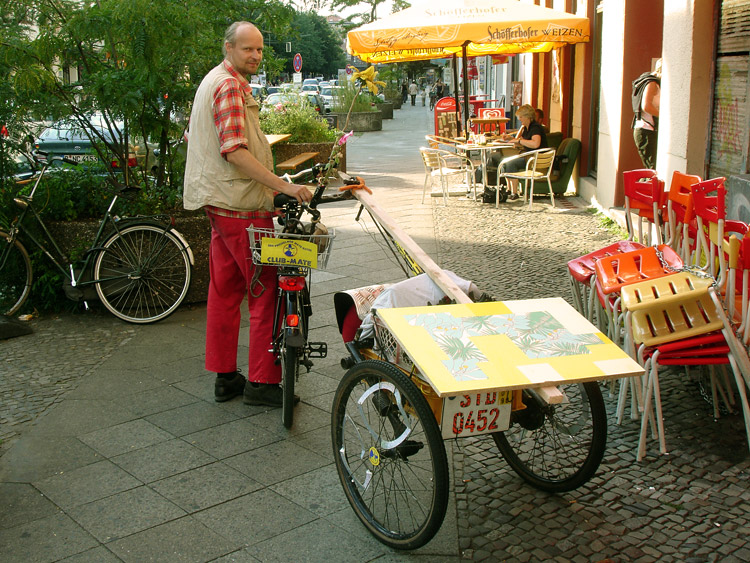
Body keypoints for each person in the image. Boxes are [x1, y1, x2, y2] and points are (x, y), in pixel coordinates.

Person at [183, 21, 312, 407]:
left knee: (224, 291)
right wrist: (283, 187)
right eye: (247, 50)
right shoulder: (228, 87)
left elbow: (196, 137)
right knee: (265, 289)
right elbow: (235, 151)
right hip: (240, 206)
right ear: (229, 48)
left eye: (259, 49)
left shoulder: (214, 80)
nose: (255, 55)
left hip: (220, 204)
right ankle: (261, 382)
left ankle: (226, 377)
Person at [484, 104, 547, 200]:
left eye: (521, 117)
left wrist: (518, 141)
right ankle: (509, 189)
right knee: (504, 161)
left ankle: (514, 192)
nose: (519, 119)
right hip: (529, 156)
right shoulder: (527, 127)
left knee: (511, 163)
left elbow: (535, 144)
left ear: (528, 117)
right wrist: (512, 139)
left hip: (536, 159)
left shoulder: (535, 128)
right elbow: (525, 142)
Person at [632, 59, 662, 169]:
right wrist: (663, 117)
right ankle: (641, 186)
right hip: (646, 130)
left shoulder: (649, 81)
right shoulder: (652, 83)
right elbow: (646, 106)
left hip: (646, 130)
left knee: (651, 169)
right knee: (652, 169)